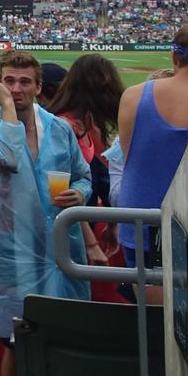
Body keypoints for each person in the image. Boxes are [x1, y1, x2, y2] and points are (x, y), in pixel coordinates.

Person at [0, 50, 91, 376]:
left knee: (59, 336)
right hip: (11, 253)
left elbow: (83, 176)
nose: (17, 89)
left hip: (56, 249)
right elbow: (5, 158)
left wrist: (82, 193)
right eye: (9, 81)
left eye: (25, 82)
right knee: (14, 338)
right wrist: (6, 109)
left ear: (40, 87)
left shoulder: (59, 130)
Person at [116, 21, 188, 300]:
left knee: (156, 325)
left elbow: (132, 156)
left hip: (142, 223)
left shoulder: (134, 96)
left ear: (175, 57)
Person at [48, 54, 127, 303]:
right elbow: (61, 191)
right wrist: (90, 243)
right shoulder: (62, 125)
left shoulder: (86, 122)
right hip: (63, 229)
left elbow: (98, 174)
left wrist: (111, 223)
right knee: (68, 295)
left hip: (79, 223)